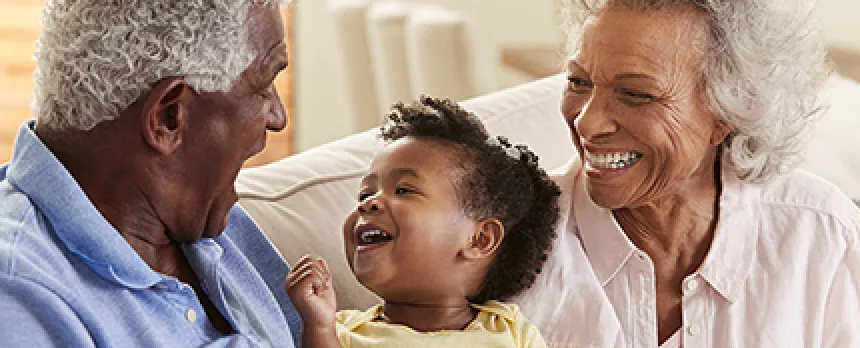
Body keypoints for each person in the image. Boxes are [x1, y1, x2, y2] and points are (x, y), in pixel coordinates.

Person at [515, 0, 860, 347]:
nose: (587, 122)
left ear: (727, 113)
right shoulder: (505, 241)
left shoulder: (821, 234)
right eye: (578, 82)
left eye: (635, 94)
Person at [0, 0, 302, 346]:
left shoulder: (205, 213)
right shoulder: (21, 297)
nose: (279, 117)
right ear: (168, 117)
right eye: (264, 88)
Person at [285, 96, 560, 347]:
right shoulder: (341, 332)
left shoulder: (511, 332)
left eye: (403, 190)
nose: (368, 203)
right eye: (366, 193)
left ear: (479, 239)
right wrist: (318, 326)